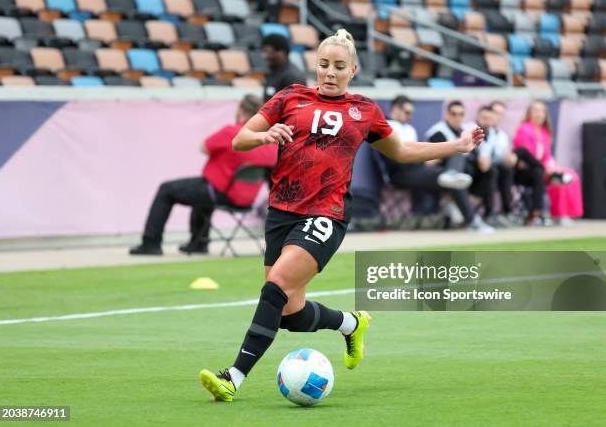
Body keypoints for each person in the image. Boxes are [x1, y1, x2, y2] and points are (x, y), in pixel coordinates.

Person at [198, 29, 485, 402]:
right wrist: (265, 137)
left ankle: (234, 377)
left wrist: (457, 146)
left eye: (338, 66)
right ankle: (351, 323)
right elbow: (240, 139)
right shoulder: (289, 97)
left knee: (275, 286)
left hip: (326, 213)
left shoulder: (364, 110)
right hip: (281, 211)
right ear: (314, 66)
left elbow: (401, 150)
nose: (329, 73)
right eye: (323, 65)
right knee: (289, 312)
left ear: (353, 69)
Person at [129, 95, 277, 256]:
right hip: (247, 199)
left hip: (221, 192)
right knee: (201, 193)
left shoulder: (232, 132)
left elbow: (205, 147)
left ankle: (151, 243)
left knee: (166, 190)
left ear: (241, 110)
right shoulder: (269, 140)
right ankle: (199, 242)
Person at [380, 95, 474, 217]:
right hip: (399, 173)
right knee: (453, 177)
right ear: (395, 109)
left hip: (417, 168)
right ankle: (468, 216)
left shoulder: (409, 129)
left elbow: (414, 151)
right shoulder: (386, 125)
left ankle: (452, 179)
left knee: (455, 162)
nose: (410, 116)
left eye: (411, 112)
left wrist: (426, 159)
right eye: (407, 112)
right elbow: (395, 156)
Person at [425, 101, 494, 233]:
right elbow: (437, 158)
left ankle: (488, 215)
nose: (457, 117)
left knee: (491, 171)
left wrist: (482, 160)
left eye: (461, 114)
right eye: (454, 114)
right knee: (456, 171)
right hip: (443, 173)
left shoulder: (465, 131)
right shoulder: (437, 132)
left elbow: (475, 154)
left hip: (466, 172)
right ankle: (471, 219)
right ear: (446, 115)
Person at [513, 100, 583, 225]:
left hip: (542, 169)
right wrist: (547, 168)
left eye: (542, 111)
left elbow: (547, 157)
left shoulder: (545, 133)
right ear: (529, 113)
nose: (539, 114)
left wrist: (553, 167)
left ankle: (564, 214)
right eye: (536, 111)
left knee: (569, 174)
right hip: (526, 171)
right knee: (542, 173)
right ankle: (537, 213)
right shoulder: (524, 129)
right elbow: (526, 156)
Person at [261, 34, 306, 102]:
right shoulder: (272, 70)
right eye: (264, 52)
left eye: (269, 52)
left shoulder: (293, 77)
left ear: (282, 52)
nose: (265, 56)